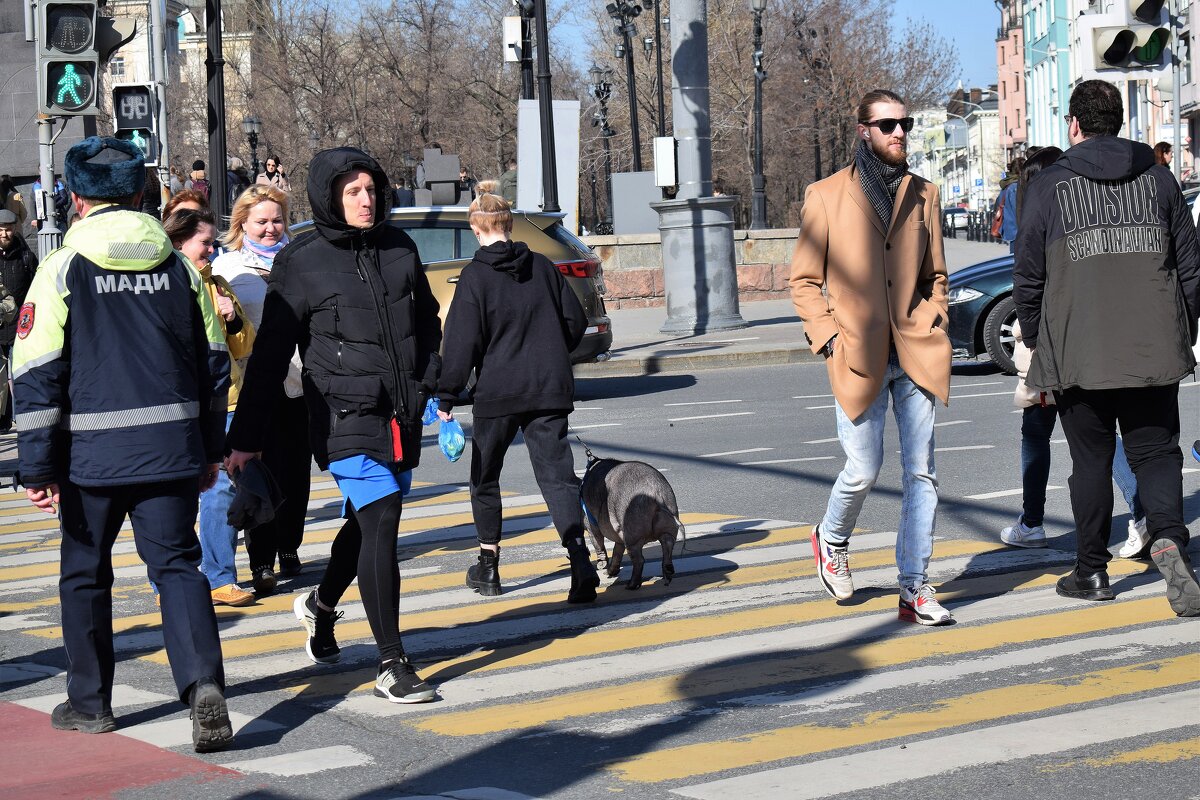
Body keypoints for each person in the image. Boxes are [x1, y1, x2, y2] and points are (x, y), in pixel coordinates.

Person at [12, 136, 233, 750]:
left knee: (85, 575)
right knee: (178, 567)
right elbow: (216, 364)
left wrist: (37, 467)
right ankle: (203, 687)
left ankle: (89, 704)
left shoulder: (62, 268)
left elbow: (34, 372)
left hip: (90, 461)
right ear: (140, 195)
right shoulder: (181, 268)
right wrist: (210, 449)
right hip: (170, 452)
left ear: (77, 200)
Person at [226, 147, 442, 703]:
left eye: (371, 189)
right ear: (330, 197)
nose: (366, 201)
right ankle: (392, 662)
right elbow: (270, 356)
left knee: (368, 525)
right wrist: (244, 440)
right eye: (352, 192)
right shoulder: (300, 261)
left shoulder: (400, 246)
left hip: (400, 412)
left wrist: (434, 386)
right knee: (384, 518)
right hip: (341, 414)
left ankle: (320, 607)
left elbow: (425, 322)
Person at [1013, 79, 1200, 616]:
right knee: (1156, 452)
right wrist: (1179, 330)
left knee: (1090, 462)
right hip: (1152, 345)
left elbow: (1028, 277)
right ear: (1121, 122)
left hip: (1078, 350)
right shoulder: (1161, 180)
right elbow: (1190, 268)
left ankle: (1091, 572)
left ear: (1074, 124)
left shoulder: (1049, 186)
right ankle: (1169, 537)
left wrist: (1037, 342)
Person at [790, 88, 953, 626]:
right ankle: (831, 539)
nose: (899, 133)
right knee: (862, 469)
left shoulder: (923, 194)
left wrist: (934, 316)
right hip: (857, 354)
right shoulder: (826, 195)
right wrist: (828, 337)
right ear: (864, 131)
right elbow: (805, 281)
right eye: (887, 126)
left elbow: (936, 276)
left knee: (922, 473)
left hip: (915, 352)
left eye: (904, 124)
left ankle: (915, 586)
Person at [436, 193, 599, 604]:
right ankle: (580, 562)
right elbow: (575, 319)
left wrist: (447, 395)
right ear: (508, 225)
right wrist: (551, 354)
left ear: (476, 230)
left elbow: (461, 342)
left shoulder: (475, 277)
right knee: (557, 478)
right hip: (548, 388)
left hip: (498, 391)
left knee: (485, 477)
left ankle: (488, 567)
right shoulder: (542, 266)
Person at [1000, 147, 1147, 557]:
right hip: (1086, 339)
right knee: (1084, 433)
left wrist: (1031, 337)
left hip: (1054, 345)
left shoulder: (1038, 216)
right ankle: (1140, 513)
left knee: (1064, 434)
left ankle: (1034, 523)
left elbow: (1028, 285)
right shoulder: (1080, 211)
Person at [211, 185, 310, 594]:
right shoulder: (229, 268)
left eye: (277, 220)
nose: (271, 229)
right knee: (258, 473)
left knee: (296, 473)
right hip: (256, 386)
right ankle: (261, 560)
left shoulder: (300, 259)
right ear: (242, 225)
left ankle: (290, 546)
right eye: (261, 222)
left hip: (301, 383)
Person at [164, 207, 257, 606]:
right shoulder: (164, 286)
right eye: (205, 243)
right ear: (180, 242)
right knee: (176, 494)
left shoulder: (217, 283)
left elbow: (244, 345)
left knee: (220, 490)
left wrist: (233, 318)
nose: (211, 251)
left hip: (226, 401)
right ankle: (168, 579)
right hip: (181, 406)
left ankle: (219, 576)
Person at [0, 208, 38, 430]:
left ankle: (21, 417)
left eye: (8, 230)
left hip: (19, 327)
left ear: (15, 229)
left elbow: (36, 286)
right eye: (1, 230)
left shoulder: (25, 256)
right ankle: (3, 421)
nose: (4, 234)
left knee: (20, 375)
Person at [995, 156, 1022, 251]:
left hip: (1011, 231)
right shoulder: (1015, 187)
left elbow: (997, 204)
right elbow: (1019, 212)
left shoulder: (1006, 185)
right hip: (1018, 232)